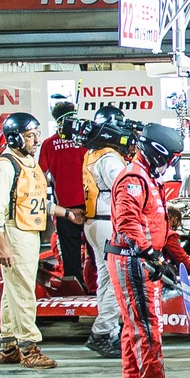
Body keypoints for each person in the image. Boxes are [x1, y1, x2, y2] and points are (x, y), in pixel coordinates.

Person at [107, 121, 190, 378]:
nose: (171, 165)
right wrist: (149, 253)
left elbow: (160, 227)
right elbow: (128, 222)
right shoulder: (133, 179)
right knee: (147, 329)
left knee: (134, 328)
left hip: (139, 258)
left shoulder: (148, 178)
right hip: (133, 261)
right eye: (171, 158)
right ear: (157, 153)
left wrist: (184, 262)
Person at [0, 111, 54, 370]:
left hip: (28, 231)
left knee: (13, 288)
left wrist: (65, 213)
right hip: (14, 232)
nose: (36, 140)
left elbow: (36, 201)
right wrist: (1, 242)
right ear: (15, 138)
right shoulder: (4, 166)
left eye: (36, 134)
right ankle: (29, 346)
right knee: (23, 289)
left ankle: (9, 345)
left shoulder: (27, 162)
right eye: (29, 136)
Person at [79, 106, 135, 358]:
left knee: (105, 279)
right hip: (106, 222)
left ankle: (108, 330)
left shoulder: (93, 152)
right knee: (116, 281)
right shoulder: (109, 157)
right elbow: (123, 187)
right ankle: (103, 331)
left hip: (95, 222)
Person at [39, 103, 88, 292]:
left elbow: (41, 177)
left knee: (71, 259)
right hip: (88, 208)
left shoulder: (49, 144)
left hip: (66, 210)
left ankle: (74, 298)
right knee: (98, 255)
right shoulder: (86, 140)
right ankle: (97, 293)